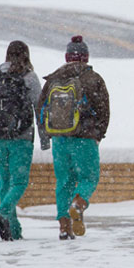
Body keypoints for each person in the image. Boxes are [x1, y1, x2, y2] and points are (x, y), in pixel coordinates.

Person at [37, 35, 110, 240]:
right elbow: (104, 110)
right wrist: (98, 134)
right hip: (85, 138)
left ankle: (63, 227)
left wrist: (48, 133)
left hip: (60, 140)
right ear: (86, 57)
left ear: (67, 57)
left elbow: (41, 108)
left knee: (64, 182)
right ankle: (78, 203)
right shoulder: (93, 79)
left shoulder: (53, 79)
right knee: (89, 178)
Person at [0, 40, 48, 241]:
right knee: (19, 182)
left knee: (5, 182)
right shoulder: (30, 78)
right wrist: (44, 139)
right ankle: (1, 213)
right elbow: (39, 110)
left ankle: (13, 229)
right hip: (21, 138)